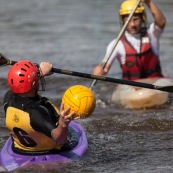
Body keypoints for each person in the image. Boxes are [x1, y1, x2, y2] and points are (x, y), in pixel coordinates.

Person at [3, 60, 78, 155]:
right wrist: (63, 123)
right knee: (74, 133)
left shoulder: (8, 98)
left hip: (20, 150)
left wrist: (39, 74)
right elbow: (60, 139)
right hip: (48, 151)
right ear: (34, 84)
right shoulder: (37, 113)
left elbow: (22, 86)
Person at [93, 0, 166, 80]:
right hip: (131, 88)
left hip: (155, 84)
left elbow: (161, 22)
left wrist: (149, 2)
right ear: (123, 21)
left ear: (142, 18)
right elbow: (105, 65)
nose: (132, 24)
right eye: (128, 20)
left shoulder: (152, 34)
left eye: (136, 19)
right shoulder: (116, 44)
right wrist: (100, 70)